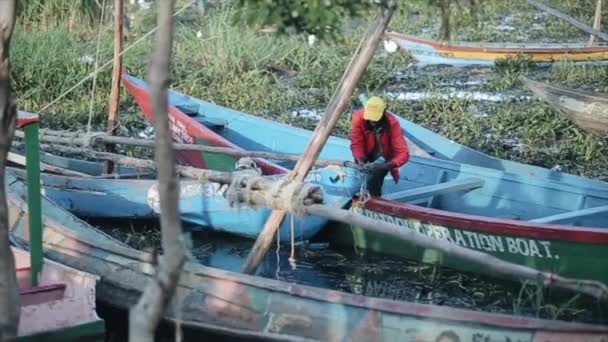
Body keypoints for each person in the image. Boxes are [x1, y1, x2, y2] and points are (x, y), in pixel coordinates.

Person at [350, 96, 410, 197]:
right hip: (367, 153)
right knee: (358, 179)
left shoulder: (392, 123)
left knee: (375, 181)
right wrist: (360, 160)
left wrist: (384, 166)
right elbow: (357, 142)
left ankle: (374, 199)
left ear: (383, 114)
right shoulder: (358, 118)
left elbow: (403, 153)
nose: (372, 122)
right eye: (369, 119)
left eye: (375, 119)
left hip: (384, 157)